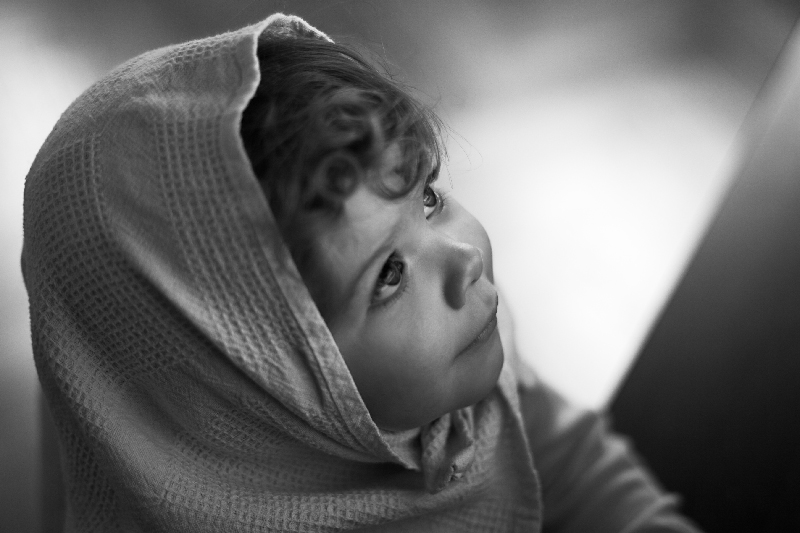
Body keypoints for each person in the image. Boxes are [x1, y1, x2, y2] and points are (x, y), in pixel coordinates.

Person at [22, 13, 702, 532]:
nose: (464, 258)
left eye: (428, 199)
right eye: (390, 275)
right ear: (257, 386)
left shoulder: (460, 365)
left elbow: (565, 463)